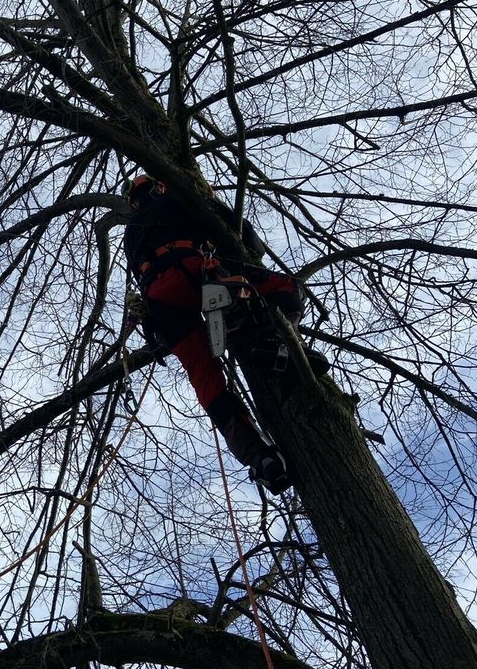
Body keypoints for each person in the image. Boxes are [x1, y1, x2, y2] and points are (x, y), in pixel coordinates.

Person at [123, 174, 328, 494]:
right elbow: (241, 232)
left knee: (206, 379)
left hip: (161, 302)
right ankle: (271, 340)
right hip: (196, 270)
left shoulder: (130, 232)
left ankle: (259, 457)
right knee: (286, 288)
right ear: (160, 186)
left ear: (134, 202)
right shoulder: (178, 198)